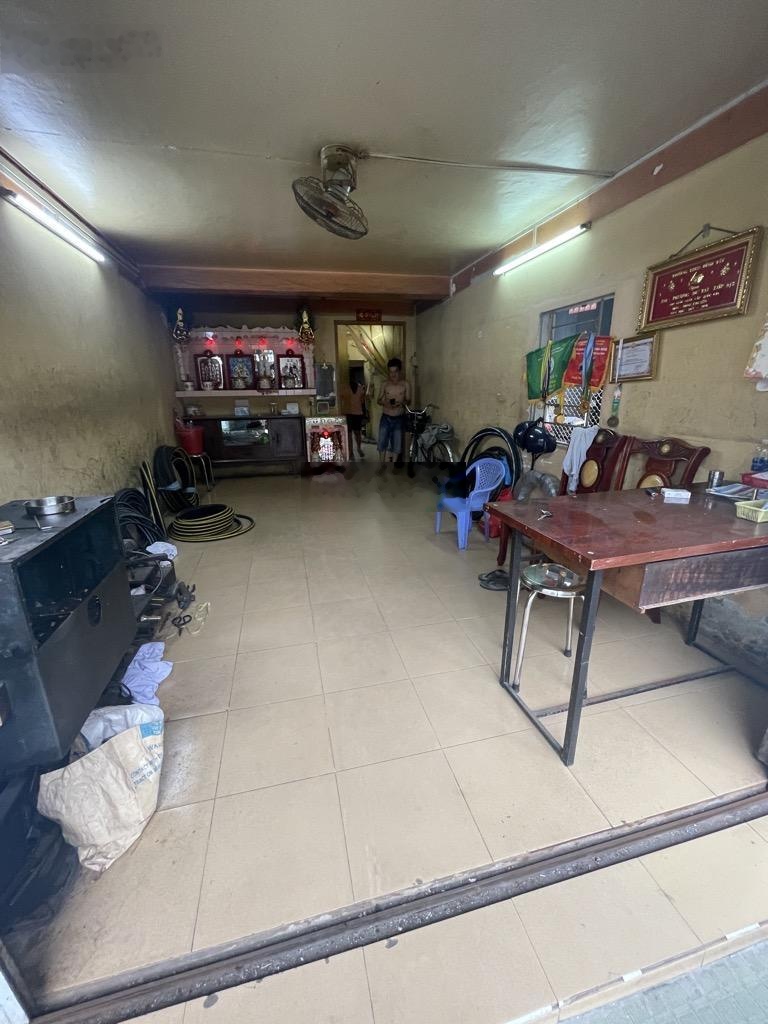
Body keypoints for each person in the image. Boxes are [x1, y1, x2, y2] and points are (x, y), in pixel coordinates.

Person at [376, 357, 409, 471]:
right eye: (390, 372)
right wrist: (385, 403)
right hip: (386, 416)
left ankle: (394, 465)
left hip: (399, 417)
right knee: (382, 441)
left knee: (397, 443)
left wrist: (401, 403)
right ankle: (381, 465)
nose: (393, 375)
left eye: (395, 371)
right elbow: (378, 400)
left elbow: (408, 400)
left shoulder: (405, 384)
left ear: (400, 371)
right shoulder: (385, 384)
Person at [346, 378, 367, 460]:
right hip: (348, 413)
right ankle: (351, 452)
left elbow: (362, 402)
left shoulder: (360, 388)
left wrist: (364, 394)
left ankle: (358, 448)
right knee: (350, 434)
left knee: (357, 433)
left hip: (357, 413)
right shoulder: (345, 388)